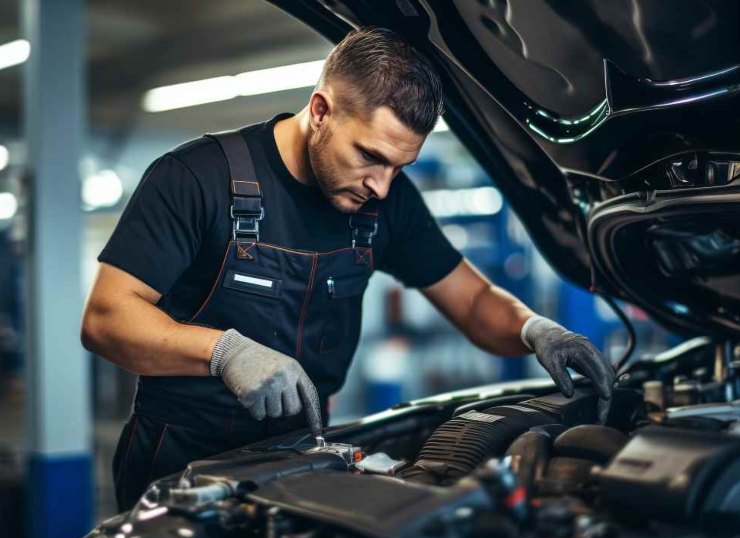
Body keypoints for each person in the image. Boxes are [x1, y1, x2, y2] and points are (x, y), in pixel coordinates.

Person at [81, 27, 614, 511]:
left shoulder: (388, 203)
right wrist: (222, 352)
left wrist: (533, 328)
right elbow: (106, 319)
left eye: (398, 167)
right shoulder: (195, 179)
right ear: (320, 111)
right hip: (179, 461)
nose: (381, 186)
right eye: (370, 157)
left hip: (302, 454)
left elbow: (472, 301)